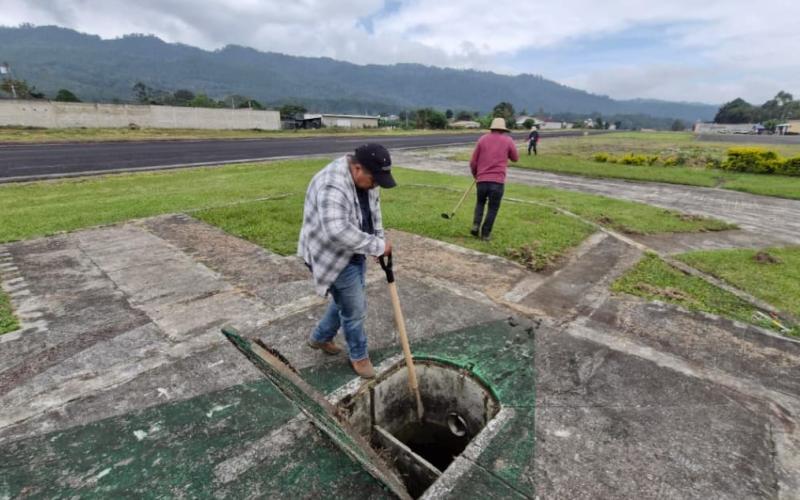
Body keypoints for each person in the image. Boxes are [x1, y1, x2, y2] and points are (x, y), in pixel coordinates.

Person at [298, 143, 396, 379]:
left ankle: (320, 337)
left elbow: (375, 213)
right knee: (355, 309)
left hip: (355, 250)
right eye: (374, 178)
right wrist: (376, 246)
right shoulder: (332, 184)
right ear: (357, 168)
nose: (375, 185)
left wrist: (379, 242)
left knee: (347, 299)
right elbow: (337, 231)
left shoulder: (368, 180)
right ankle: (359, 356)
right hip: (330, 254)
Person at [469, 117, 519, 241]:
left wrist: (476, 174)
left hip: (482, 179)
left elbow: (473, 162)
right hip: (497, 181)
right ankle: (485, 233)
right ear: (503, 129)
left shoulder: (482, 139)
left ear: (492, 128)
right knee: (493, 207)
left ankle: (476, 224)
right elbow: (515, 158)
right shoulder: (508, 140)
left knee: (480, 203)